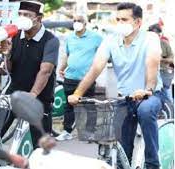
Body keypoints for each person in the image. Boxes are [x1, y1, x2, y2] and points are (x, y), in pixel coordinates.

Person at [68, 3, 163, 169]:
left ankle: (153, 164)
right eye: (117, 19)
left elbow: (152, 62)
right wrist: (77, 93)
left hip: (151, 94)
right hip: (125, 97)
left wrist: (148, 89)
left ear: (138, 22)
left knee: (146, 111)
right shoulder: (111, 40)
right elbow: (96, 68)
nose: (120, 23)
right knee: (122, 146)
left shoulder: (150, 38)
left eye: (124, 19)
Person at [0, 0, 59, 148]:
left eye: (26, 14)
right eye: (19, 14)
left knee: (41, 145)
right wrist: (7, 54)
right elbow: (10, 70)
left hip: (39, 98)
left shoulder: (50, 40)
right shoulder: (15, 36)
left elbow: (45, 71)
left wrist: (32, 95)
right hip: (14, 93)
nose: (21, 17)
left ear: (38, 18)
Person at [56, 14, 103, 141]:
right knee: (68, 106)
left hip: (87, 78)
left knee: (89, 105)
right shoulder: (70, 37)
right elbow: (67, 55)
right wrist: (61, 68)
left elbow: (104, 54)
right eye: (75, 21)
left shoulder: (96, 38)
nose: (77, 23)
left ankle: (90, 132)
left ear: (85, 23)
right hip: (70, 77)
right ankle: (67, 131)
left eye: (80, 21)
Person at [148, 23, 174, 102]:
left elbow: (171, 59)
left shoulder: (164, 44)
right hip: (150, 73)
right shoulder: (145, 45)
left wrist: (160, 59)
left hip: (164, 72)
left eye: (156, 34)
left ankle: (171, 112)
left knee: (167, 95)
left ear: (159, 34)